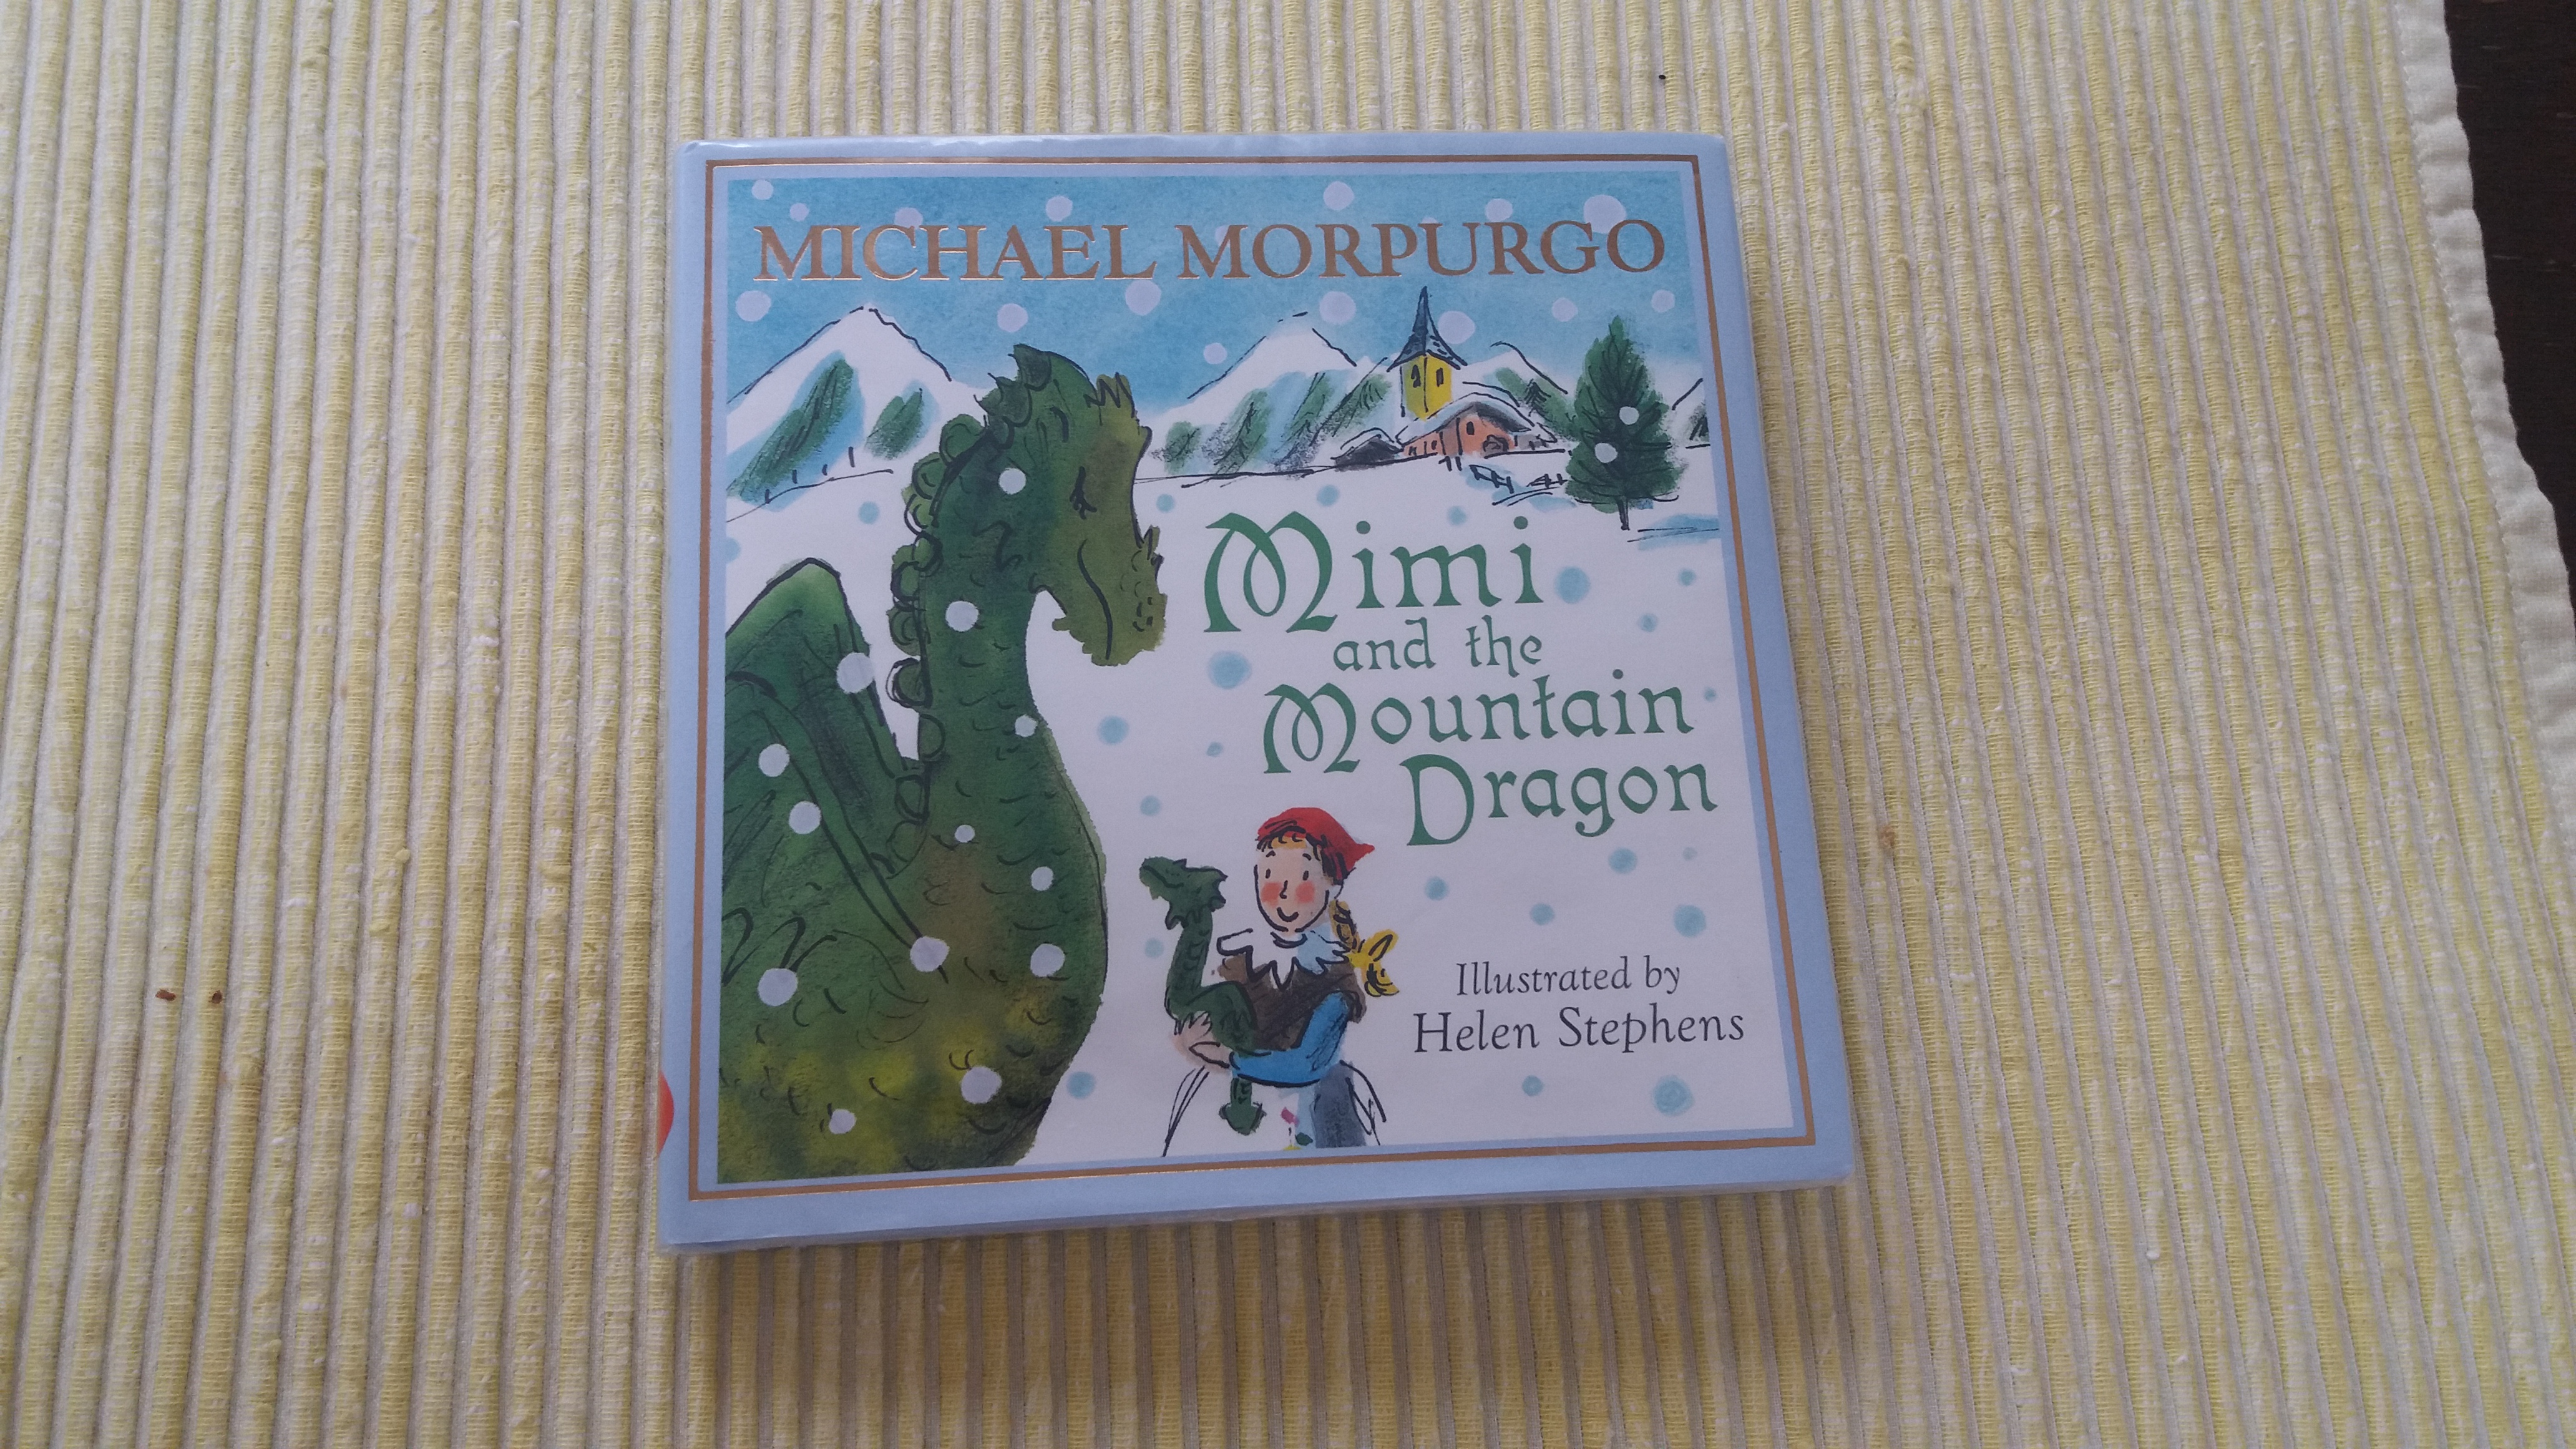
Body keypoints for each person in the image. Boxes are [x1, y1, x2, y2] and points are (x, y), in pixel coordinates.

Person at [1166, 807, 1395, 1151]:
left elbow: (1306, 1064)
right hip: (1232, 1124)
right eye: (1271, 875)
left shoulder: (1336, 980)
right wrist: (1191, 1041)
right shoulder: (1242, 963)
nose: (1285, 893)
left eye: (1303, 877)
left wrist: (1230, 1058)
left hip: (1311, 1113)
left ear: (1332, 884)